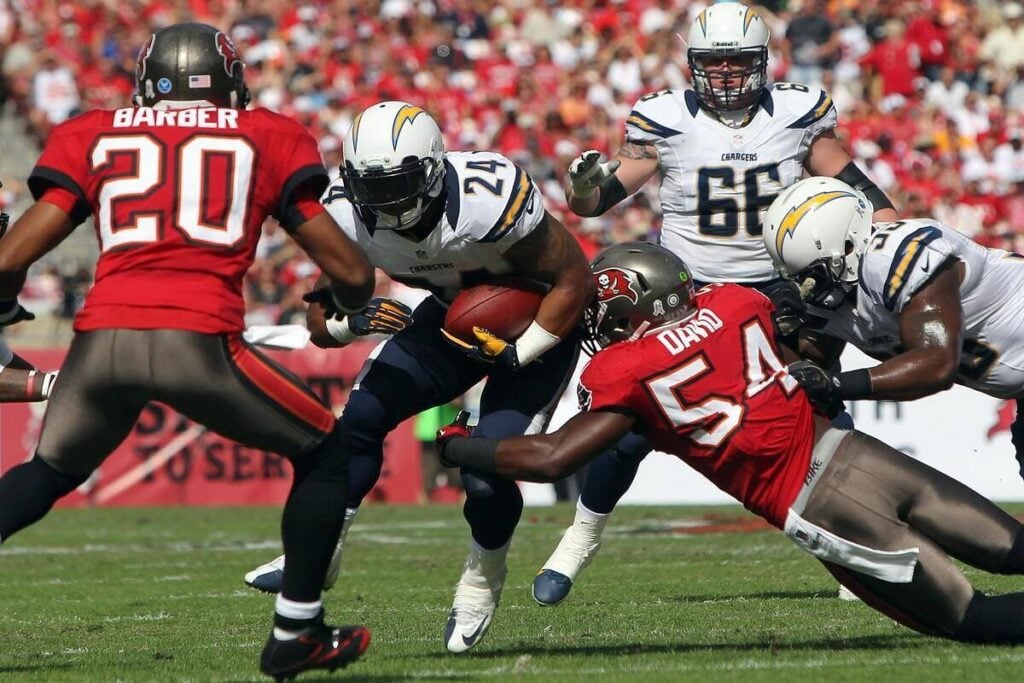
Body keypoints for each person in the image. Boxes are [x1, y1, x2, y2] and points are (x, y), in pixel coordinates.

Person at [0, 23, 376, 680]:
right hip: (196, 341)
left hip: (102, 343)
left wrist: (6, 307)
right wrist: (339, 304)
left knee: (50, 470)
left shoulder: (95, 133)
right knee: (328, 452)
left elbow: (9, 259)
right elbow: (352, 271)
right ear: (230, 82)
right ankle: (297, 631)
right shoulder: (266, 134)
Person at [437, 241, 1024, 644]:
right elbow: (799, 362)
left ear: (631, 304)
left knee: (970, 617)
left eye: (604, 312)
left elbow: (551, 458)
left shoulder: (624, 369)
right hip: (860, 455)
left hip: (815, 504)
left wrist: (459, 446)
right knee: (1015, 549)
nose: (598, 326)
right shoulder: (736, 303)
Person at [540, 0, 898, 606]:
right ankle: (581, 536)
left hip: (780, 288)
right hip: (688, 294)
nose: (726, 73)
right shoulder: (665, 119)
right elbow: (600, 198)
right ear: (694, 63)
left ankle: (856, 549)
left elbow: (853, 182)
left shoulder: (796, 112)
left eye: (737, 62)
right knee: (631, 418)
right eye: (713, 62)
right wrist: (584, 191)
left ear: (762, 61)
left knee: (817, 404)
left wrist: (887, 224)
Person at [242, 101, 595, 654]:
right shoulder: (345, 213)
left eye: (399, 184)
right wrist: (351, 322)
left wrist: (517, 353)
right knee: (359, 418)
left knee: (486, 473)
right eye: (372, 187)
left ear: (433, 167)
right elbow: (319, 322)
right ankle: (323, 548)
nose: (385, 201)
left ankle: (481, 582)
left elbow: (573, 278)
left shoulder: (487, 197)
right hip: (450, 319)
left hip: (535, 327)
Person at [761, 176, 1024, 476]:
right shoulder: (836, 291)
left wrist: (836, 385)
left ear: (848, 245)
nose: (809, 288)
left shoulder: (895, 254)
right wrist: (776, 329)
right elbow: (809, 362)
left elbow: (936, 365)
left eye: (814, 275)